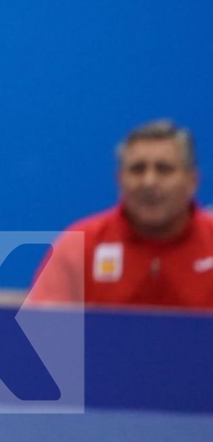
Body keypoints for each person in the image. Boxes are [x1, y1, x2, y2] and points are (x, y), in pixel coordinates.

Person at [29, 120, 213, 308]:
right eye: (137, 169)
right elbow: (41, 332)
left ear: (192, 181)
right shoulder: (79, 245)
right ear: (119, 179)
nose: (149, 182)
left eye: (164, 169)